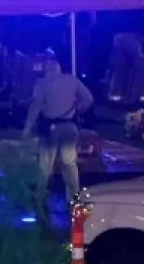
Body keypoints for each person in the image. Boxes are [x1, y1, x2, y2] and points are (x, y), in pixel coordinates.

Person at [23, 56, 95, 205]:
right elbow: (88, 99)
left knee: (45, 166)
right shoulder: (72, 80)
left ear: (45, 70)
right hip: (70, 126)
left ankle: (40, 197)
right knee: (69, 163)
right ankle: (75, 197)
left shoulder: (42, 84)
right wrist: (78, 110)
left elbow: (35, 106)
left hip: (50, 129)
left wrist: (28, 127)